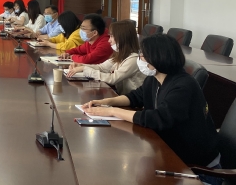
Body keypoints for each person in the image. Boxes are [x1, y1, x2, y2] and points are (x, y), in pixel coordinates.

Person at [82, 34, 221, 177]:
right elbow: (135, 97)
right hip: (169, 151)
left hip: (198, 168)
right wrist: (105, 102)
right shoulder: (155, 78)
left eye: (142, 56)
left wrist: (112, 112)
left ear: (157, 58)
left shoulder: (183, 85)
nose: (139, 59)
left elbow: (158, 118)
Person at [67, 20, 144, 95]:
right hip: (122, 96)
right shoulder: (121, 55)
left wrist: (85, 69)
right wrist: (81, 66)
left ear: (122, 38)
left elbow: (113, 79)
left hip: (133, 101)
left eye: (112, 36)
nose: (109, 40)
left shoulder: (133, 59)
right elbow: (102, 67)